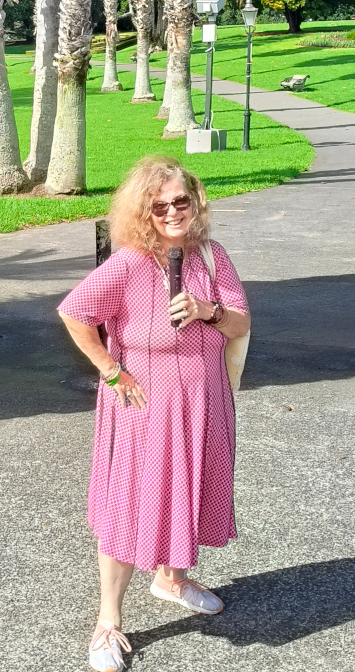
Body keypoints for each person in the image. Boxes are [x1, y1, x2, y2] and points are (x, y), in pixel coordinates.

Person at [57, 155, 251, 671]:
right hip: (145, 405)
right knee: (130, 508)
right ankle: (107, 623)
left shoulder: (212, 257)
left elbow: (239, 325)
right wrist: (111, 369)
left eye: (180, 201)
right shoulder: (128, 263)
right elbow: (74, 313)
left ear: (195, 201)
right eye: (159, 204)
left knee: (186, 492)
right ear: (144, 210)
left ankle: (171, 578)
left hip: (202, 399)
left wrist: (207, 310)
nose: (171, 211)